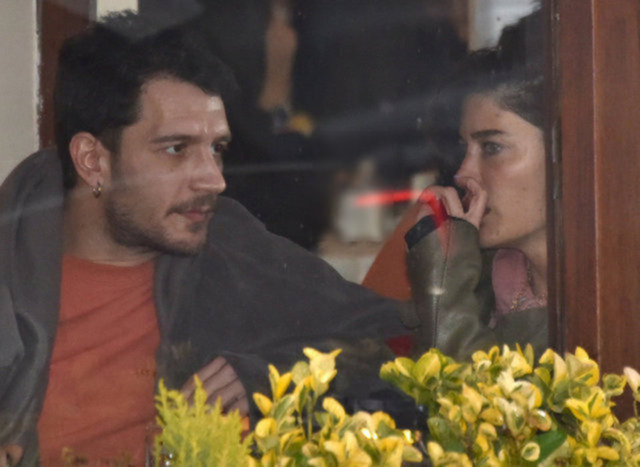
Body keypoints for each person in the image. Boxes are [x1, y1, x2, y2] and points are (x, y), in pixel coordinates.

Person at [0, 12, 408, 465]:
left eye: (217, 149)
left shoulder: (229, 243)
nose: (214, 180)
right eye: (177, 149)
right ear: (93, 161)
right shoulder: (12, 275)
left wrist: (269, 377)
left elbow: (397, 343)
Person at [364, 39, 548, 360]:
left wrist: (445, 288)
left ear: (566, 152)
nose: (463, 173)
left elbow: (476, 391)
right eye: (464, 149)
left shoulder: (612, 303)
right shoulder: (478, 271)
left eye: (492, 147)